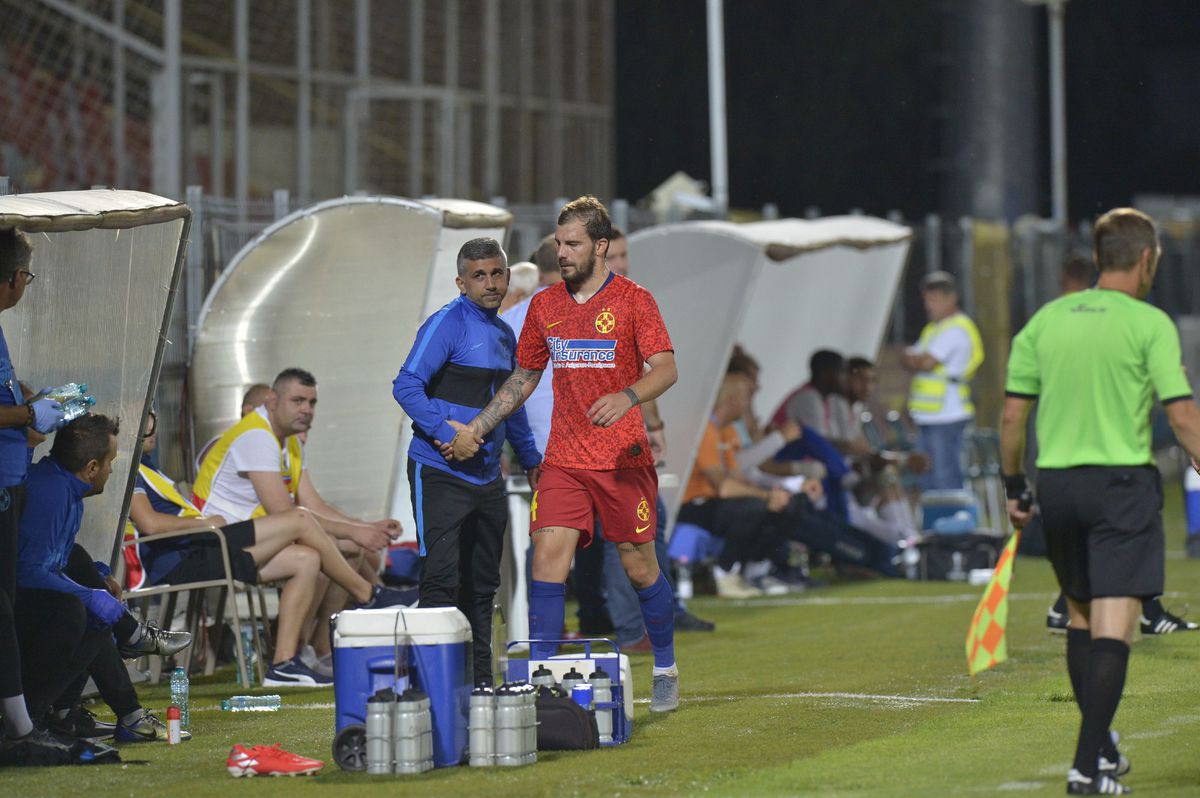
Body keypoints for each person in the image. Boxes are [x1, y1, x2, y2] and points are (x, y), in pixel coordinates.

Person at [448, 196, 682, 712]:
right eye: (559, 242)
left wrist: (627, 396)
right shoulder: (545, 306)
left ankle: (664, 665)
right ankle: (544, 684)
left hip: (623, 459)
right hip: (565, 460)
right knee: (549, 560)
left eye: (573, 243)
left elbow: (665, 368)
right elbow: (525, 376)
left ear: (600, 247)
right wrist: (482, 425)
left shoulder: (634, 300)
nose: (563, 252)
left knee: (639, 566)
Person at [1001, 207, 1200, 794]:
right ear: (1145, 259)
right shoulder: (1148, 323)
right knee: (1116, 625)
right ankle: (1086, 766)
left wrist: (1014, 487)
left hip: (1057, 486)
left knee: (1082, 619)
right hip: (1120, 486)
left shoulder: (1045, 320)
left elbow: (1013, 415)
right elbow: (1182, 414)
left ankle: (1102, 750)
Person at [130, 409, 408, 686]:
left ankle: (284, 663)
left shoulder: (146, 467)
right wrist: (203, 523)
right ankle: (367, 595)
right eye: (149, 421)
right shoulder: (130, 470)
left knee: (306, 558)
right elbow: (150, 524)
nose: (154, 429)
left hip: (205, 543)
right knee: (300, 519)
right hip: (189, 553)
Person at [192, 368, 405, 685]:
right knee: (321, 535)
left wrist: (365, 527)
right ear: (273, 401)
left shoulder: (288, 442)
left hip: (247, 543)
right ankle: (367, 595)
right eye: (298, 400)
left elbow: (315, 505)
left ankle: (292, 659)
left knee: (317, 556)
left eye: (312, 402)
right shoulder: (255, 436)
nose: (307, 409)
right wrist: (354, 531)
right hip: (210, 544)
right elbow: (289, 514)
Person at [393, 237, 542, 686]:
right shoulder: (446, 324)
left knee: (482, 589)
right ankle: (436, 690)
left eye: (497, 273)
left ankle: (479, 687)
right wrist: (445, 434)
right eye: (479, 275)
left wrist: (532, 460)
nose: (490, 283)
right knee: (441, 583)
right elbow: (405, 386)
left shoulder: (505, 334)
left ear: (508, 276)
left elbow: (509, 405)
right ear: (461, 282)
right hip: (439, 473)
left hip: (487, 479)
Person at [15, 415, 191, 743]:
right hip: (18, 620)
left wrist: (96, 577)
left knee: (85, 570)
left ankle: (98, 712)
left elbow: (57, 559)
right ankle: (33, 723)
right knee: (83, 612)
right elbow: (25, 572)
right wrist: (88, 595)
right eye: (110, 461)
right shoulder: (50, 492)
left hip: (34, 606)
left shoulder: (65, 488)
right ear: (92, 467)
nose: (112, 470)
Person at [0, 227, 79, 765]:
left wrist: (25, 398)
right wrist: (30, 414)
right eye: (27, 275)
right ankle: (22, 728)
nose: (26, 285)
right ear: (10, 278)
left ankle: (27, 720)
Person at [902, 271, 984, 490]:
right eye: (927, 300)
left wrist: (917, 360)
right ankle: (935, 523)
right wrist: (915, 360)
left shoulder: (956, 328)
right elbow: (907, 359)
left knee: (945, 476)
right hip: (928, 415)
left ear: (951, 298)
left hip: (948, 415)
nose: (929, 305)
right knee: (927, 477)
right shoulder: (933, 329)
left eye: (935, 299)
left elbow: (925, 362)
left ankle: (953, 522)